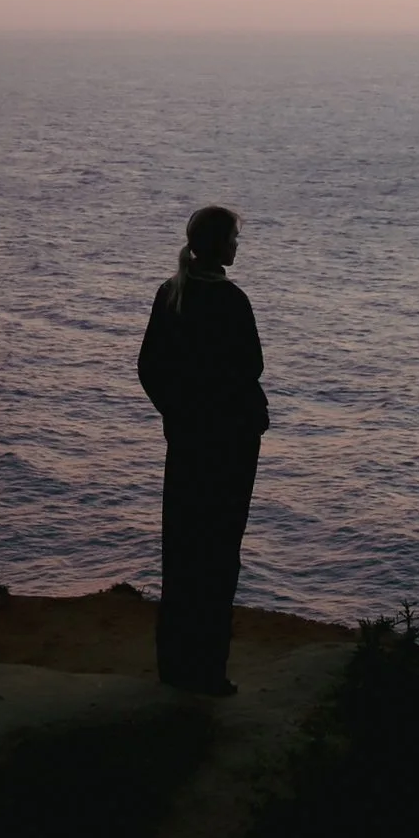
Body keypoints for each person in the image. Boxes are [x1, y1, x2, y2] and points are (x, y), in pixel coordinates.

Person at [137, 204, 269, 695]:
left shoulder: (171, 294)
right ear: (219, 245)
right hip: (229, 445)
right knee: (218, 553)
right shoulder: (231, 301)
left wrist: (178, 414)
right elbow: (251, 366)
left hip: (189, 442)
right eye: (234, 237)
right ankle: (208, 671)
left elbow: (150, 367)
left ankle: (175, 664)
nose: (238, 245)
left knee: (182, 547)